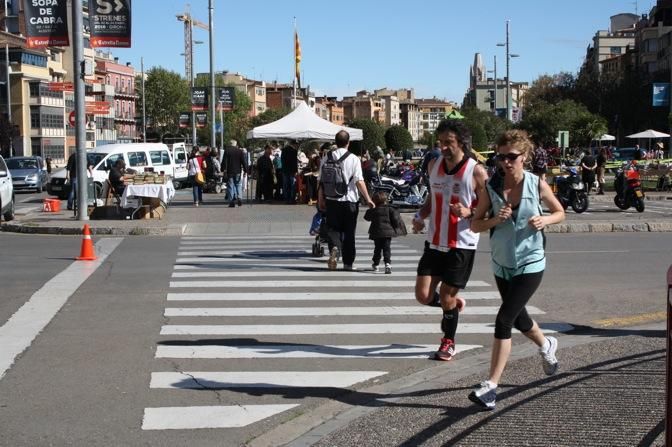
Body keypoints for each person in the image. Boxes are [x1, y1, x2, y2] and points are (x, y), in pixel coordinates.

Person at [468, 130, 565, 411]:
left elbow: (561, 212)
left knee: (504, 319)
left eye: (512, 157)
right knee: (520, 319)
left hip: (531, 262)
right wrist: (495, 220)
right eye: (501, 157)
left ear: (524, 156)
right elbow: (475, 224)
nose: (506, 162)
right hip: (502, 263)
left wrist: (545, 220)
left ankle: (491, 386)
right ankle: (547, 345)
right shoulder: (492, 188)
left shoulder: (536, 184)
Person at [411, 119, 488, 361]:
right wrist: (419, 216)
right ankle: (453, 305)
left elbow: (490, 208)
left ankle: (448, 342)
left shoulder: (476, 171)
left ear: (461, 142)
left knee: (445, 295)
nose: (442, 147)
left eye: (448, 143)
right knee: (423, 295)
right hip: (434, 242)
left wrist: (469, 212)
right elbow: (432, 200)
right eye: (440, 142)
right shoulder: (434, 164)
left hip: (461, 244)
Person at [318, 130, 375, 271]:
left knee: (333, 229)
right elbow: (359, 181)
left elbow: (321, 181)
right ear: (348, 143)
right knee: (349, 232)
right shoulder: (354, 159)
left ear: (335, 142)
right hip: (349, 201)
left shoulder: (327, 157)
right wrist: (368, 199)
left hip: (331, 200)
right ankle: (348, 263)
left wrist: (320, 199)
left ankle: (335, 248)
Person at [364, 191, 406, 274]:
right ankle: (387, 264)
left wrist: (371, 208)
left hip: (376, 233)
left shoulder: (374, 210)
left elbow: (366, 217)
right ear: (386, 200)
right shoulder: (390, 209)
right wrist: (396, 227)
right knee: (387, 249)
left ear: (374, 201)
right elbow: (396, 220)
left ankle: (376, 264)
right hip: (387, 233)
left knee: (377, 249)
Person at [224, 140, 248, 207]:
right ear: (236, 144)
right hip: (238, 171)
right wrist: (246, 170)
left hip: (230, 171)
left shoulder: (227, 151)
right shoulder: (240, 151)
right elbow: (243, 161)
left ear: (230, 144)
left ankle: (231, 201)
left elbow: (224, 161)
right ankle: (239, 198)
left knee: (230, 186)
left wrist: (223, 170)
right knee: (238, 184)